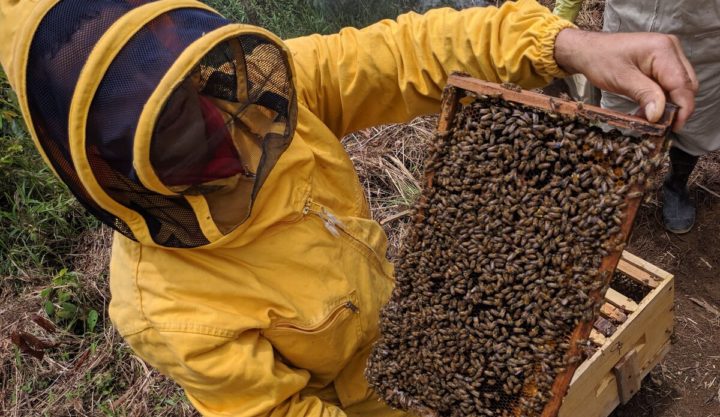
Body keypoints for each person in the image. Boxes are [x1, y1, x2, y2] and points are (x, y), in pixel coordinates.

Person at [0, 0, 696, 416]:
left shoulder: (262, 95)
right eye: (171, 129)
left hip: (430, 323)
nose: (220, 126)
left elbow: (403, 52)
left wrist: (561, 43)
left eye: (200, 89)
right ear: (110, 165)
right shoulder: (171, 309)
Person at [554, 0, 720, 234]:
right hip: (626, 30)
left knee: (694, 123)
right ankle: (615, 187)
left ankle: (676, 185)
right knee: (616, 125)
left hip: (705, 41)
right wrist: (564, 15)